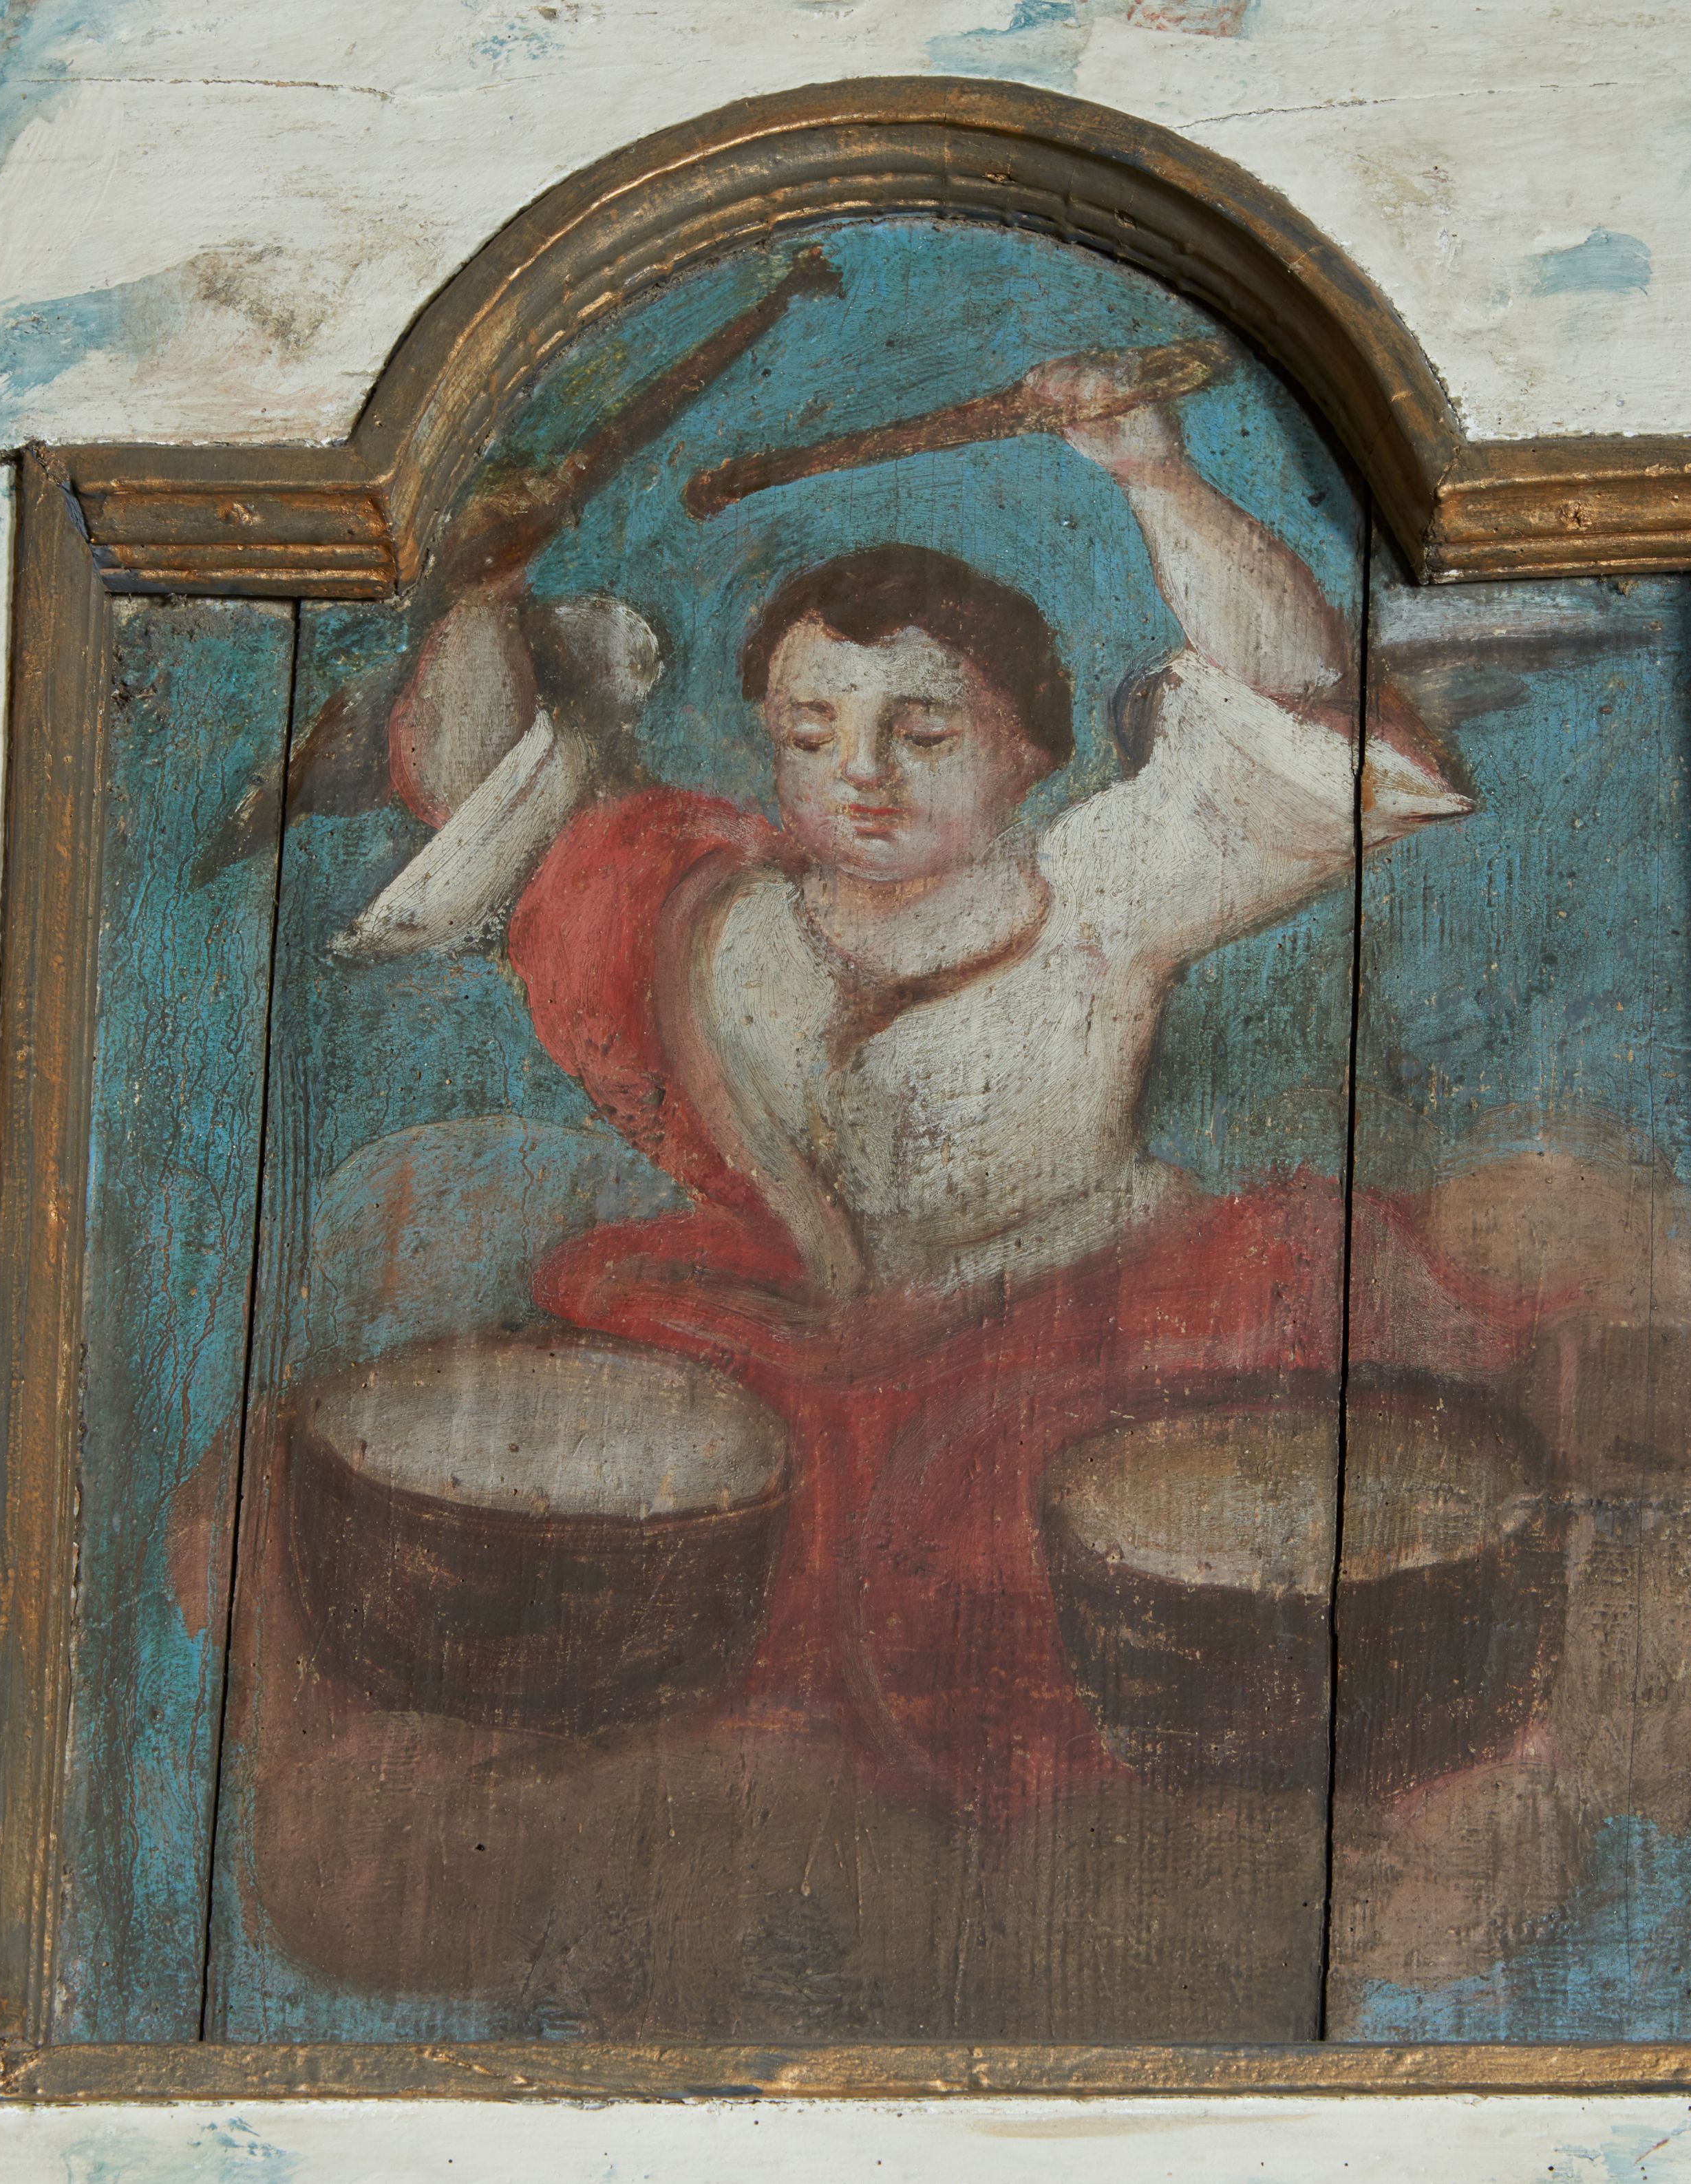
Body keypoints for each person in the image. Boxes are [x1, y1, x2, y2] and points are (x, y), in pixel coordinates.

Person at [480, 356, 1509, 1819]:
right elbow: (499, 805)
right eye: (809, 733)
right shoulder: (719, 913)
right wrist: (477, 592)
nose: (861, 774)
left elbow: (1305, 705)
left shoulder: (1098, 887)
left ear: (1030, 749)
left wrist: (1153, 472)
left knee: (1008, 1569)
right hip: (826, 1348)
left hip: (1080, 1336)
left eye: (925, 732)